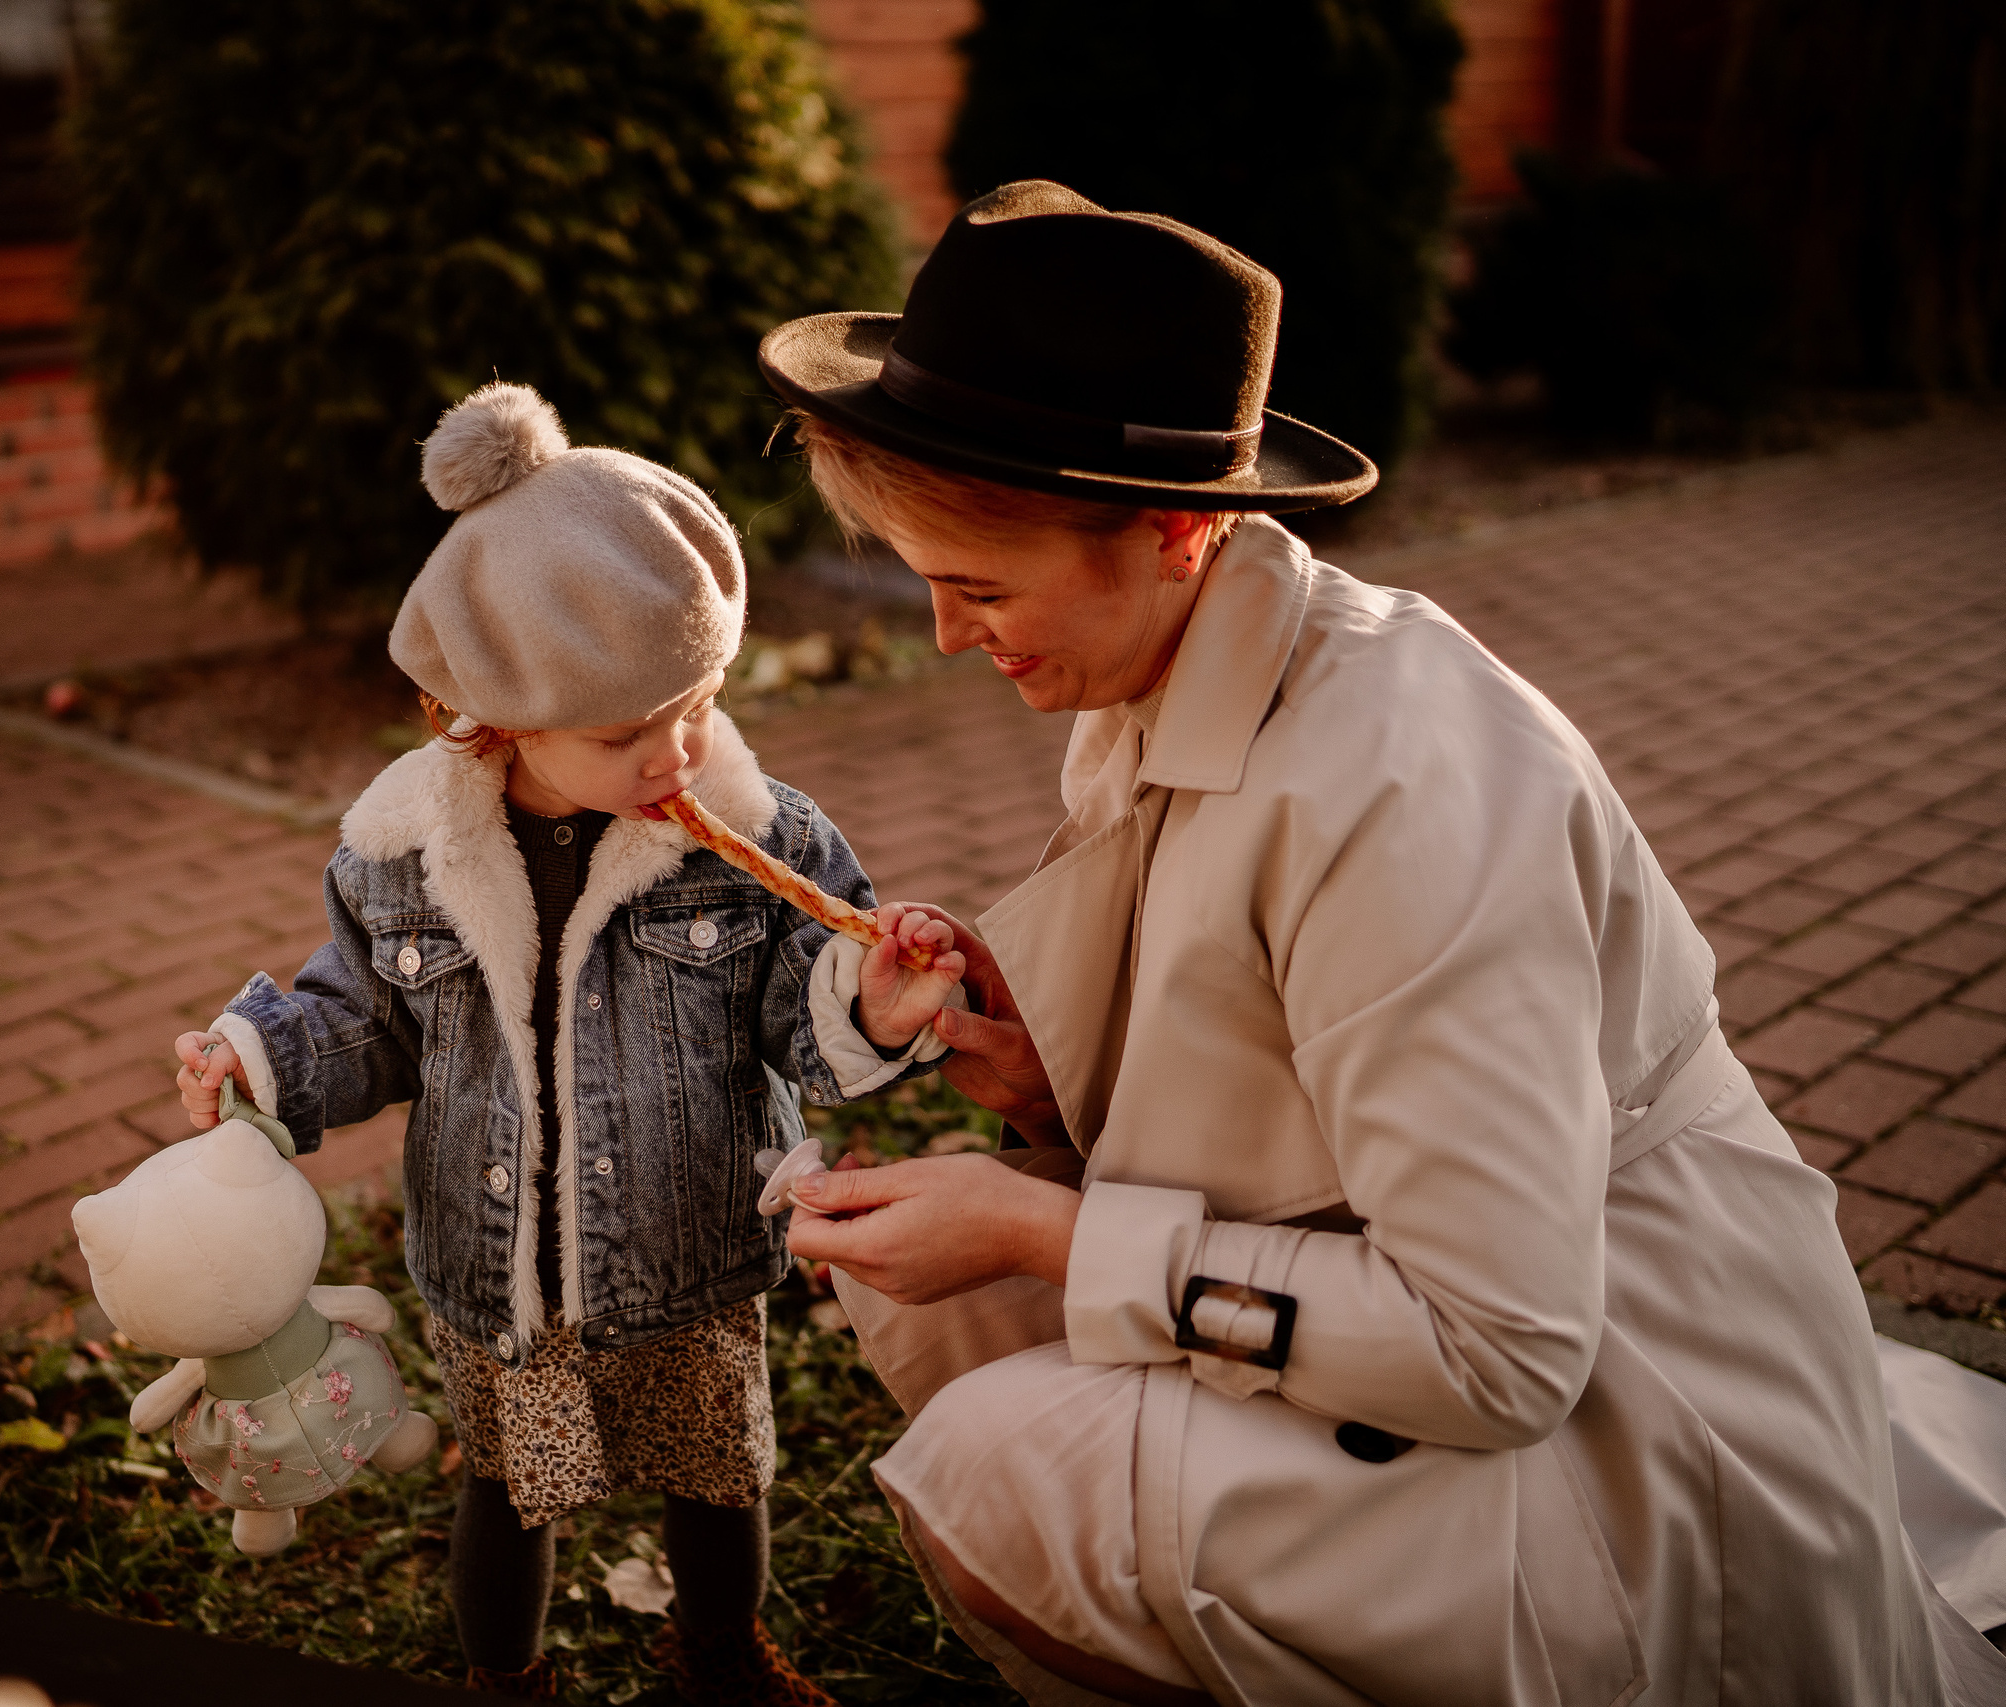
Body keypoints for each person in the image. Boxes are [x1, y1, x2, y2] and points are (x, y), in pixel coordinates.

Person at [761, 180, 2006, 1705]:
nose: (950, 638)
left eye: (978, 588)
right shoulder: (1163, 662)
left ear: (1172, 529)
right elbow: (1295, 1075)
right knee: (935, 1289)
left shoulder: (1406, 783)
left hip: (1627, 1391)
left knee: (1005, 1467)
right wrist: (1049, 1088)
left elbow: (1502, 1348)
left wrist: (1046, 1230)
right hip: (1436, 1296)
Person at [167, 383, 965, 1704]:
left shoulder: (753, 845)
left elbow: (800, 1008)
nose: (677, 753)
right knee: (507, 1495)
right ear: (493, 718)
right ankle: (507, 1676)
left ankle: (719, 1652)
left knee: (719, 1478)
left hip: (688, 1251)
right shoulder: (407, 864)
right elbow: (363, 1021)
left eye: (698, 703)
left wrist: (873, 1003)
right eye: (624, 733)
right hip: (507, 1277)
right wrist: (262, 1057)